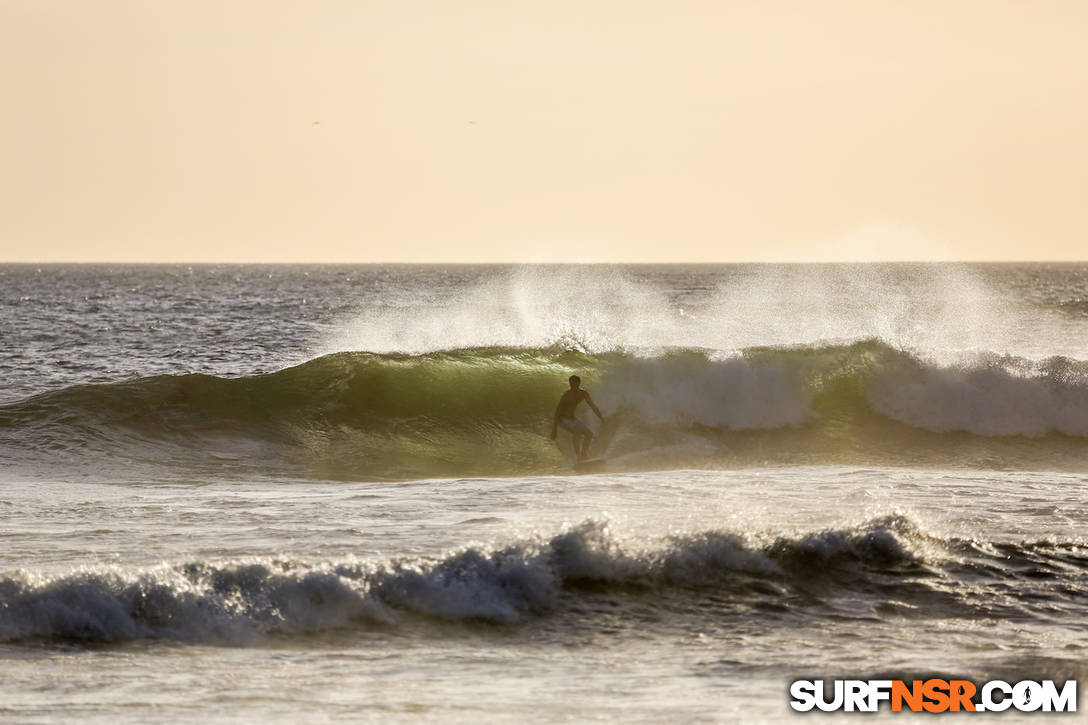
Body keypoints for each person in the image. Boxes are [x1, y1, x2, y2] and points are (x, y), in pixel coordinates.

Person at [550, 374, 604, 460]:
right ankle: (578, 456)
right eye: (570, 384)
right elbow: (557, 411)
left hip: (572, 418)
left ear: (578, 383)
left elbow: (593, 406)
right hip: (562, 419)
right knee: (577, 431)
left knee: (589, 434)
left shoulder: (583, 394)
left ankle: (584, 454)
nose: (572, 386)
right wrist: (554, 429)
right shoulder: (566, 395)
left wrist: (601, 418)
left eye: (574, 384)